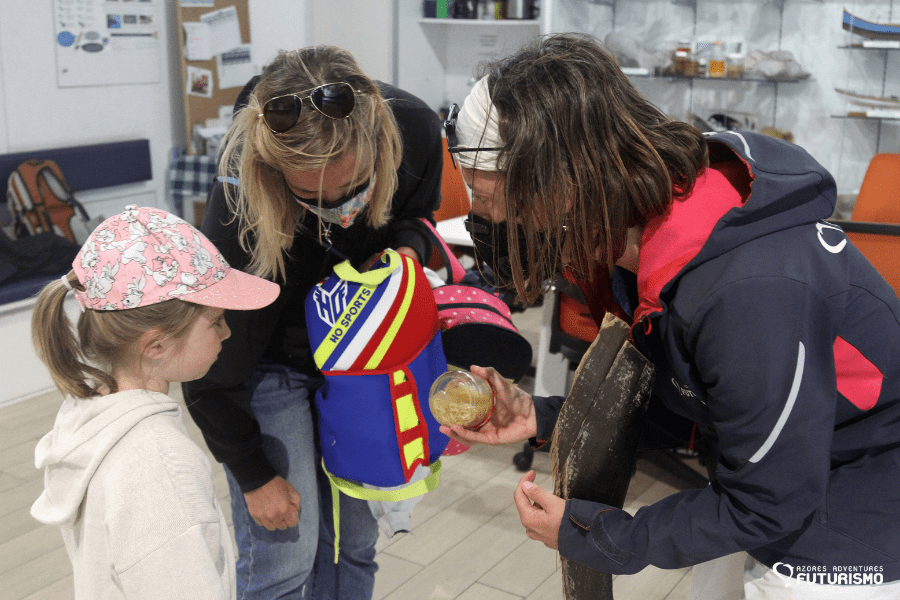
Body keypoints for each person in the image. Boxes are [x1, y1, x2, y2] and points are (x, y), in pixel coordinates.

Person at [440, 33, 900, 599]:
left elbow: (768, 502)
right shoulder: (651, 227)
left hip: (862, 493)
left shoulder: (748, 290)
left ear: (561, 183)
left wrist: (600, 533)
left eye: (489, 202)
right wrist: (542, 416)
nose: (481, 219)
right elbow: (700, 398)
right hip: (779, 473)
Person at [181, 45, 444, 599]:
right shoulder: (241, 197)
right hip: (268, 363)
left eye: (353, 187)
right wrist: (253, 474)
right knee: (287, 556)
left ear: (378, 137)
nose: (341, 210)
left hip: (356, 362)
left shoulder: (416, 127)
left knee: (354, 544)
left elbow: (417, 217)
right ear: (274, 172)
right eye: (311, 197)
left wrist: (407, 249)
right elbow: (208, 365)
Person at [29, 204, 280, 599]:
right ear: (157, 344)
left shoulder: (88, 415)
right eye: (215, 321)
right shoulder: (160, 464)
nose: (227, 332)